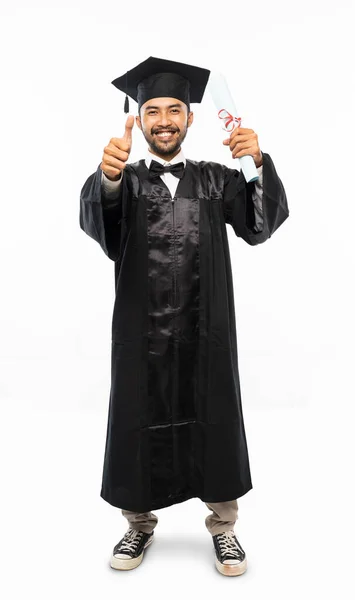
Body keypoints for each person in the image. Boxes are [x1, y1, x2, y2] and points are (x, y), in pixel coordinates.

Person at [79, 56, 289, 577]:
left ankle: (224, 527)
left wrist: (257, 164)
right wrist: (105, 180)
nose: (165, 119)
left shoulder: (218, 180)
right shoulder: (123, 183)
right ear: (140, 118)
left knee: (212, 413)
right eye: (154, 110)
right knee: (136, 415)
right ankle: (138, 522)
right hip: (140, 333)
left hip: (206, 329)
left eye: (176, 109)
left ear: (191, 118)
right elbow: (100, 229)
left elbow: (260, 227)